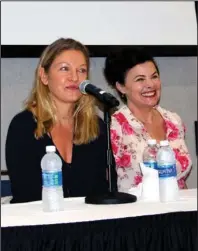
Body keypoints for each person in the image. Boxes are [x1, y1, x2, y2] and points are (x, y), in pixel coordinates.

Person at [6, 37, 117, 203]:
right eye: (65, 69)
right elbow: (26, 195)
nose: (74, 77)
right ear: (44, 76)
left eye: (81, 70)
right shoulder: (24, 126)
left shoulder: (96, 127)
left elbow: (106, 189)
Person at [103, 47, 192, 193]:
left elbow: (180, 181)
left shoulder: (174, 121)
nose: (150, 84)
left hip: (177, 208)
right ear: (121, 87)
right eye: (140, 79)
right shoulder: (114, 127)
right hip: (136, 211)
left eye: (154, 76)